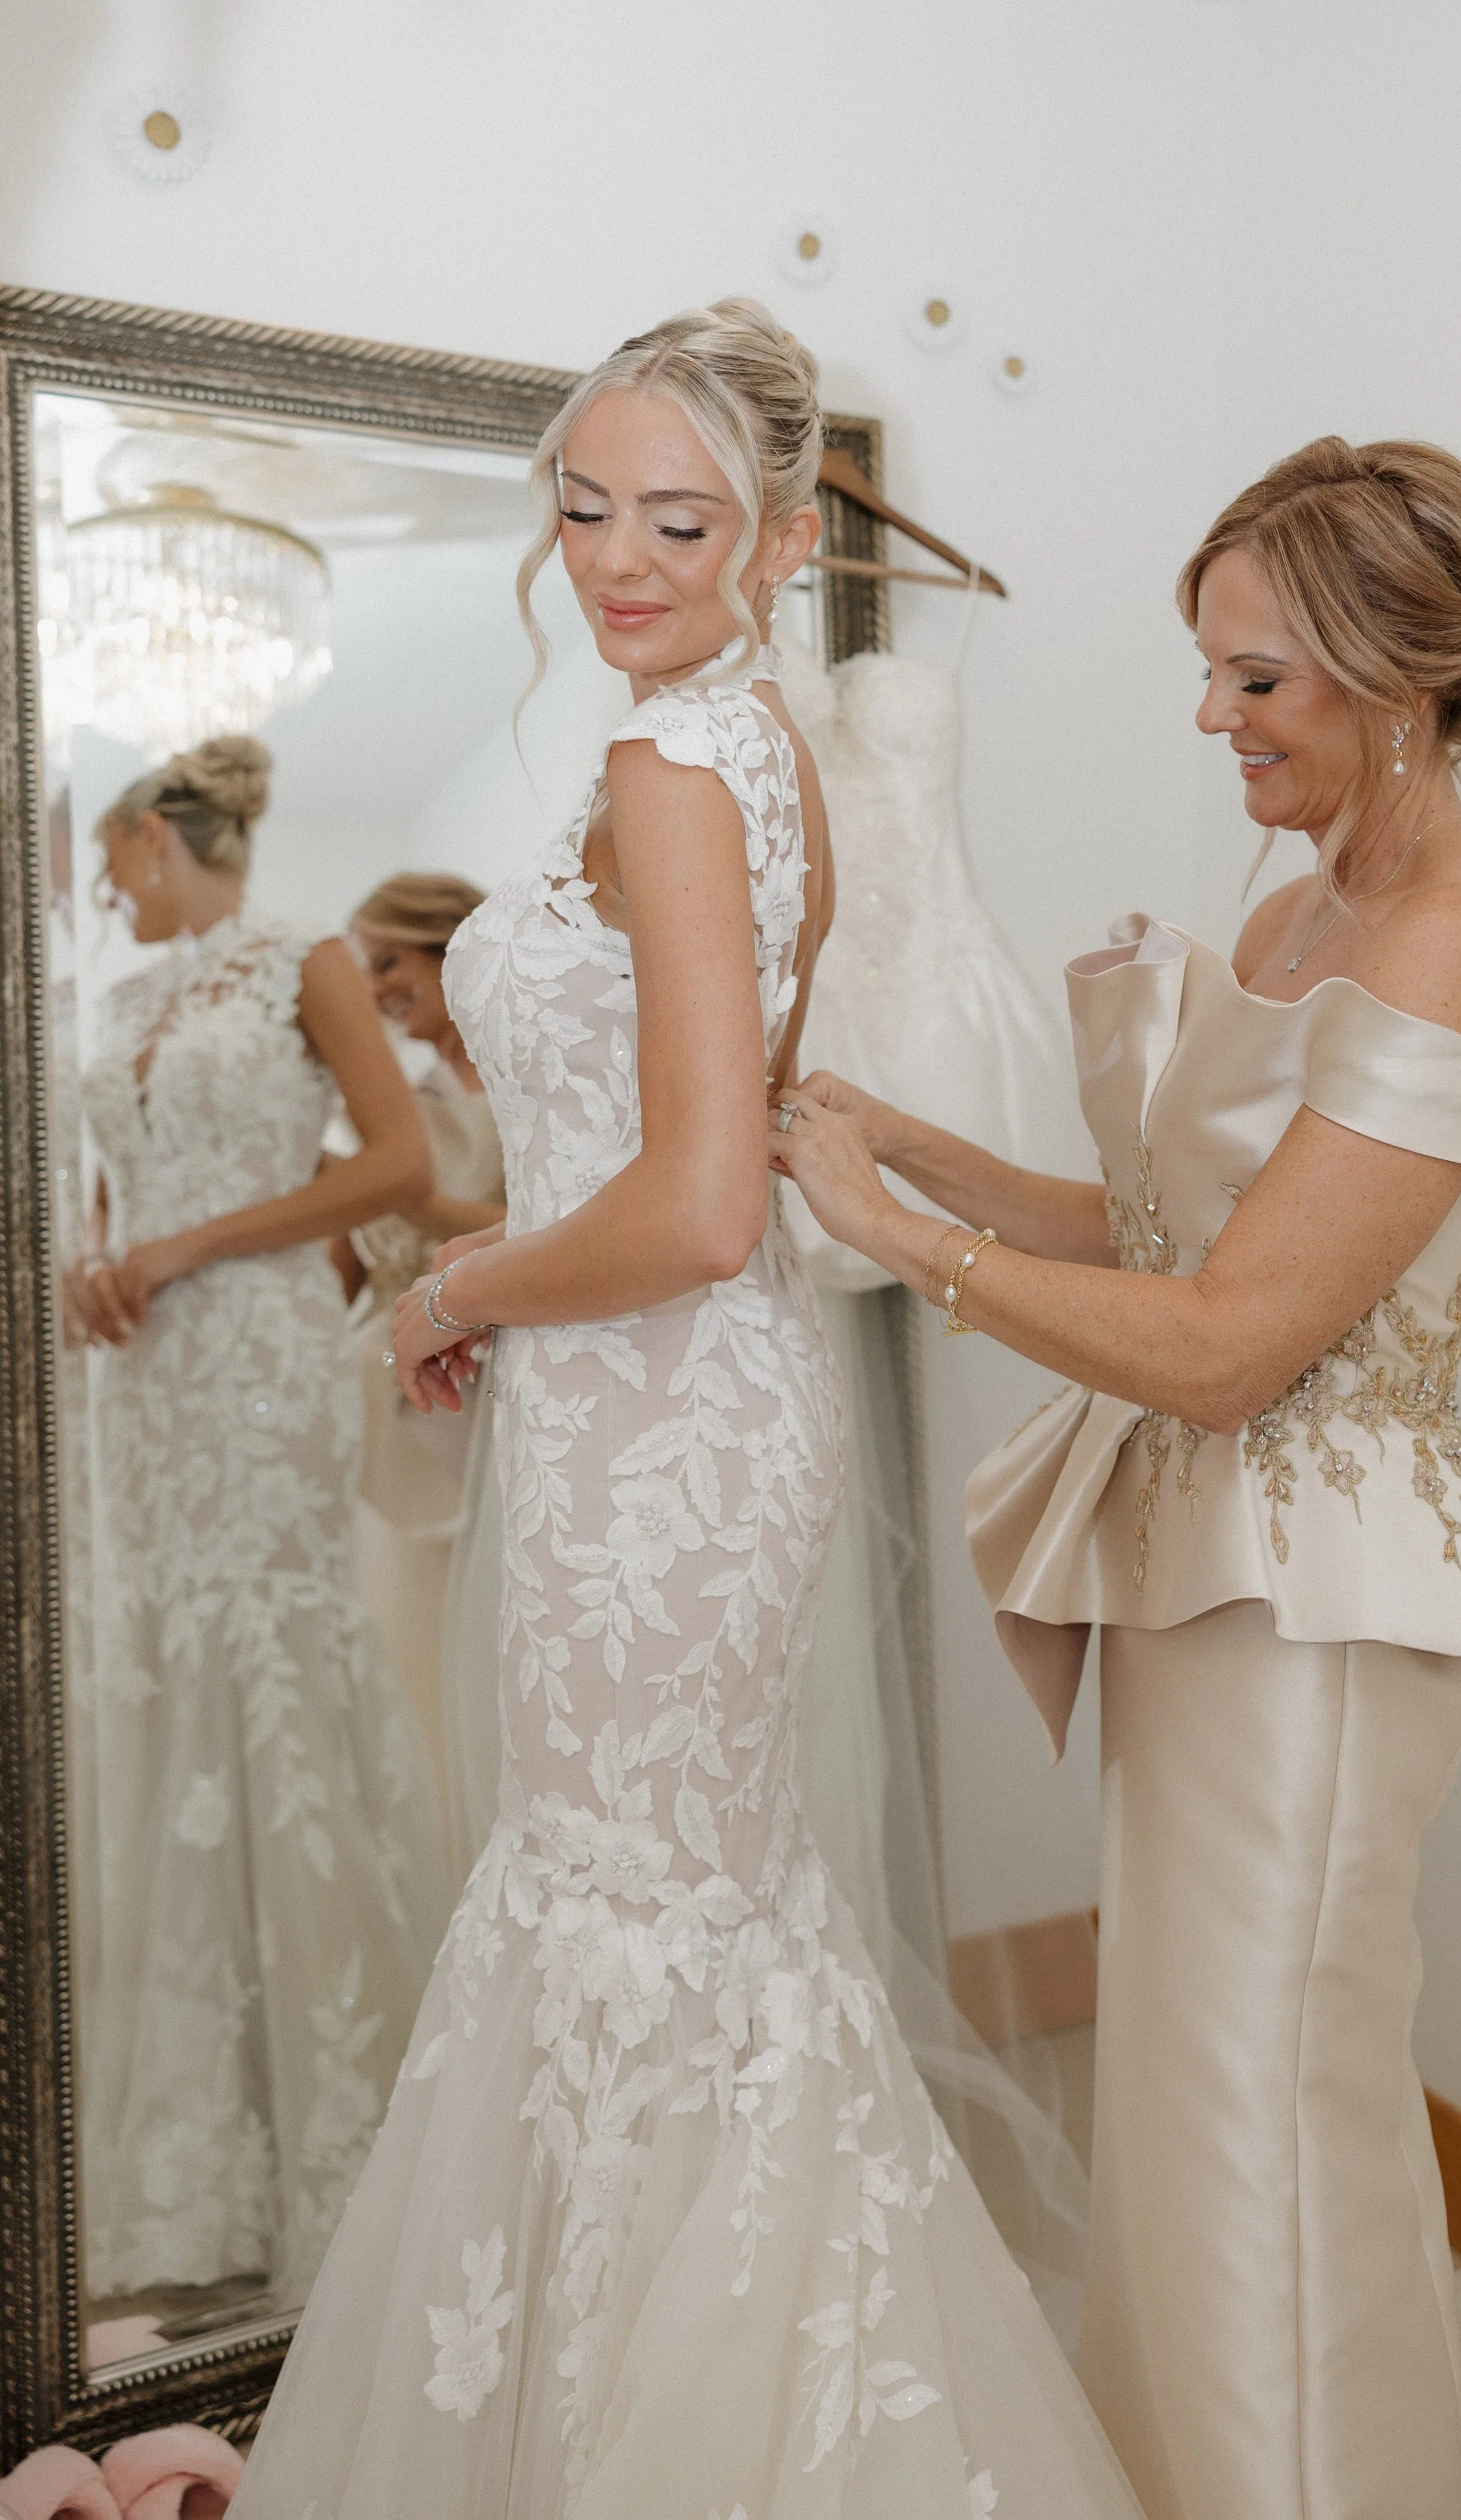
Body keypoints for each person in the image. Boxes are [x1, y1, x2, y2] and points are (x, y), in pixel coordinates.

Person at [233, 304, 1143, 2520]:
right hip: (665, 1420)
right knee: (676, 1922)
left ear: (770, 534)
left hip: (655, 1429)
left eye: (678, 516)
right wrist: (515, 1285)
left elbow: (700, 1196)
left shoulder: (673, 769)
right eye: (582, 506)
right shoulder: (753, 751)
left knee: (633, 1920)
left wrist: (447, 1281)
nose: (619, 556)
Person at [769, 437, 1461, 2520]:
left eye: (1252, 679)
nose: (1210, 717)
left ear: (1389, 677)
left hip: (1323, 1625)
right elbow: (1182, 1241)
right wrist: (927, 1150)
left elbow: (1232, 1351)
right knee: (1191, 2114)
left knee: (1268, 2131)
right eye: (1210, 673)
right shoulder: (1302, 900)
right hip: (1201, 1596)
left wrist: (904, 1243)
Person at [71, 737, 449, 2308]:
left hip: (261, 1359)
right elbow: (119, 1180)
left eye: (107, 859)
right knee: (168, 1682)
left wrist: (189, 1247)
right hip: (150, 1383)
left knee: (274, 1664)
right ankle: (196, 2153)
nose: (98, 892)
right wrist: (105, 1257)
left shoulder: (300, 959)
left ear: (159, 836)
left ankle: (345, 2130)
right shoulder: (115, 1006)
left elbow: (402, 1162)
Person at [339, 872, 505, 1879]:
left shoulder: (523, 1073)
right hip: (385, 1410)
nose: (374, 990)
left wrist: (411, 1197)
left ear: (449, 946)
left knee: (478, 1651)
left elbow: (538, 1229)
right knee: (405, 1659)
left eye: (388, 963)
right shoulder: (398, 1102)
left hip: (479, 1391)